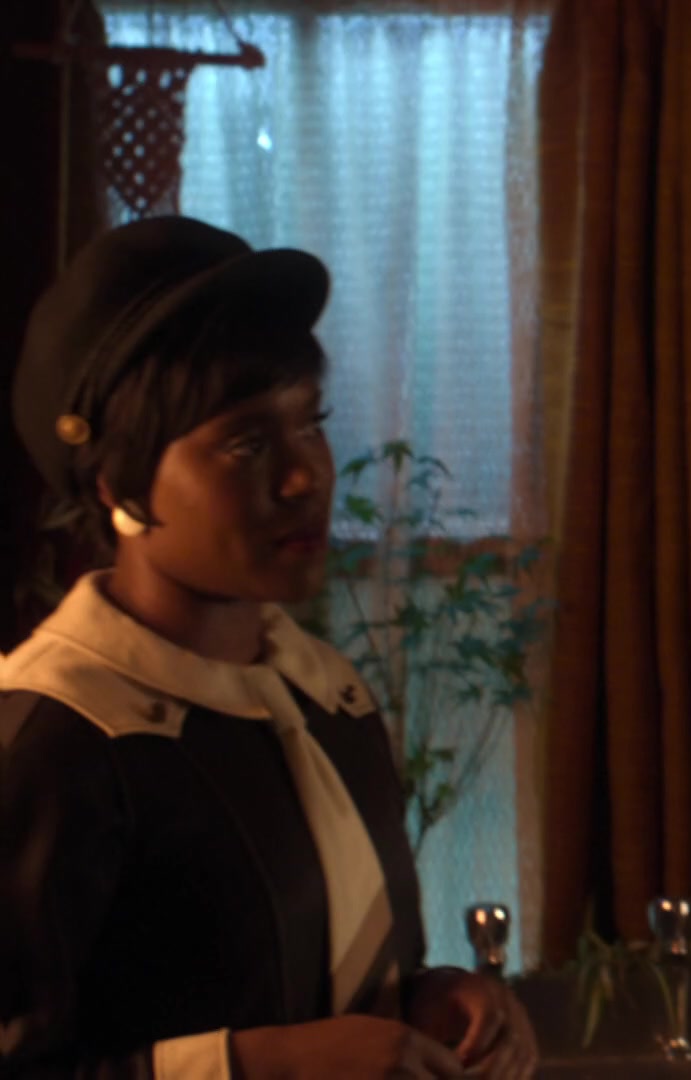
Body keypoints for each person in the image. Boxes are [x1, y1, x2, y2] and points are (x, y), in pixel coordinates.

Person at [0, 216, 538, 1079]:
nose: (307, 475)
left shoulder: (323, 695)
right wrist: (257, 1066)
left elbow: (302, 980)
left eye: (310, 423)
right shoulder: (58, 739)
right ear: (116, 486)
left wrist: (427, 999)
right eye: (246, 443)